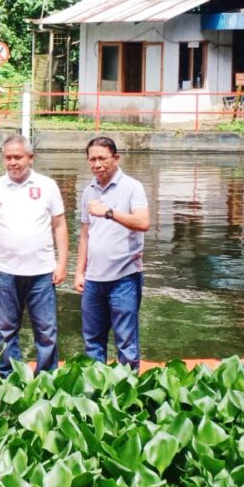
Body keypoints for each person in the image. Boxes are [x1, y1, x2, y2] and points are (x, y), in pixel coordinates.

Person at [0, 135, 68, 376]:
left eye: (18, 157)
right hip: (7, 270)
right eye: (8, 157)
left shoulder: (47, 185)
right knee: (7, 328)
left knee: (46, 329)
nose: (13, 162)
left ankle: (47, 375)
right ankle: (10, 374)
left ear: (31, 158)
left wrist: (61, 264)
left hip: (41, 270)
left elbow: (59, 225)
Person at [74, 136, 149, 371]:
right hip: (94, 279)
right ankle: (96, 391)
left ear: (115, 159)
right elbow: (85, 234)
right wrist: (78, 272)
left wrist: (109, 212)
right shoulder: (88, 191)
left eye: (102, 158)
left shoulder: (132, 187)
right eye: (92, 159)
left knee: (125, 340)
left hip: (124, 277)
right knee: (92, 340)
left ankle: (128, 390)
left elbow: (143, 222)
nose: (97, 164)